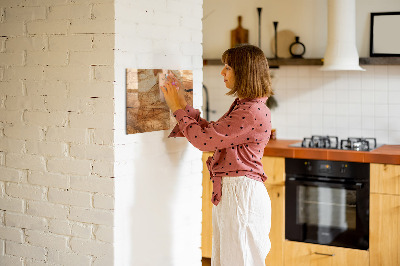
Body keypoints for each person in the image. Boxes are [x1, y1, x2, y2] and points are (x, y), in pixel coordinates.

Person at [161, 44, 273, 266]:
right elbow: (213, 133)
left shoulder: (250, 111)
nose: (222, 72)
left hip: (241, 195)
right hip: (236, 193)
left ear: (244, 72)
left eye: (228, 67)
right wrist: (184, 106)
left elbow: (204, 141)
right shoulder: (246, 106)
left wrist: (176, 108)